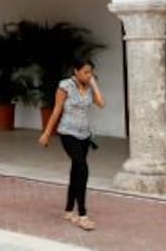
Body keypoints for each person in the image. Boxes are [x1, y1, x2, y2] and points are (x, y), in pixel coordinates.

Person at [38, 55, 106, 231]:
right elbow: (56, 110)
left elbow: (102, 104)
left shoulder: (90, 85)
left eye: (91, 72)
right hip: (68, 133)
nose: (89, 75)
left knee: (76, 171)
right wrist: (47, 133)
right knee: (82, 169)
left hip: (85, 135)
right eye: (85, 72)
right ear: (76, 71)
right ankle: (82, 215)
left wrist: (94, 84)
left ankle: (68, 211)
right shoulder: (65, 86)